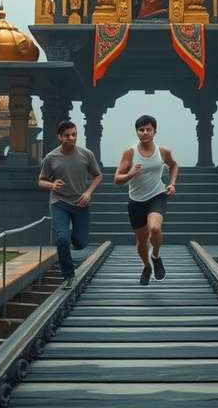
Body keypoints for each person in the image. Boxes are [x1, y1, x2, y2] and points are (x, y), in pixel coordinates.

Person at [114, 115, 178, 285]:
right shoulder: (130, 152)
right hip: (136, 201)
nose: (145, 132)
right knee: (142, 241)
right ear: (137, 132)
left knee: (155, 228)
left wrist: (171, 183)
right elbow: (117, 179)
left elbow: (173, 165)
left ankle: (156, 256)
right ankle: (146, 266)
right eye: (141, 130)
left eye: (148, 129)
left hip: (157, 195)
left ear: (154, 131)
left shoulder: (163, 151)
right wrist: (131, 174)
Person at [38, 121, 102, 288]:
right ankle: (68, 275)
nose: (71, 138)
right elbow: (41, 181)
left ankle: (72, 241)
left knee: (80, 243)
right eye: (67, 135)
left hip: (81, 203)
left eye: (74, 134)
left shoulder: (86, 154)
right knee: (62, 238)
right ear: (60, 137)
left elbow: (97, 176)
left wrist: (88, 192)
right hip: (60, 202)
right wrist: (51, 185)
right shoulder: (51, 158)